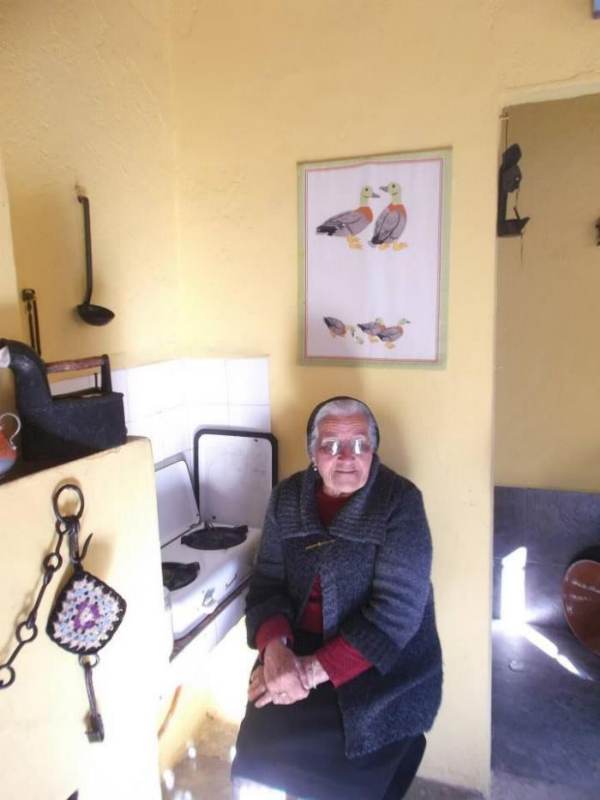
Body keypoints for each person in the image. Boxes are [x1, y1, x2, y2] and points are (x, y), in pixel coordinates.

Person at [231, 396, 442, 800]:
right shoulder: (287, 497)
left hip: (380, 663)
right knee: (257, 764)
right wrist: (275, 650)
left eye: (360, 444)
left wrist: (307, 674)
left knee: (345, 781)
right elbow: (267, 582)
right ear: (313, 453)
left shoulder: (400, 503)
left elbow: (396, 614)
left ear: (373, 450)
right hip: (295, 649)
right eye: (331, 444)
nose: (347, 456)